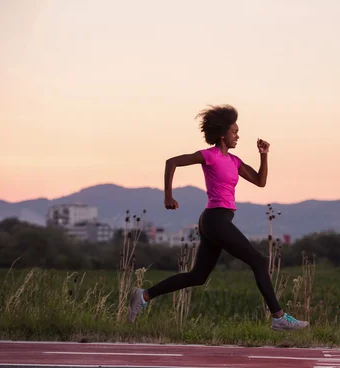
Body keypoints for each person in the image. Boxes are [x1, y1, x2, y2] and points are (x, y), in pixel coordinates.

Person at [127, 104, 308, 331]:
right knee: (259, 261)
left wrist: (264, 155)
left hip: (218, 220)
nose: (238, 136)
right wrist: (168, 196)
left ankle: (143, 296)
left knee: (198, 276)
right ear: (222, 134)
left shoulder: (235, 161)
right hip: (215, 220)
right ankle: (279, 317)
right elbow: (171, 162)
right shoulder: (209, 156)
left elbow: (260, 182)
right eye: (235, 132)